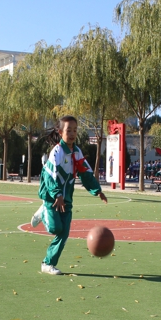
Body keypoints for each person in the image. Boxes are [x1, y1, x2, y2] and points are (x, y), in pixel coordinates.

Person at [30, 116, 107, 275]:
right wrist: (57, 194)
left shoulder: (77, 152)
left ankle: (48, 263)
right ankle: (44, 211)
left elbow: (86, 174)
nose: (72, 134)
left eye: (75, 130)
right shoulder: (56, 152)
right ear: (60, 132)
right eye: (68, 130)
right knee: (54, 228)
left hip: (67, 200)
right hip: (52, 198)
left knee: (63, 233)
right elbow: (50, 176)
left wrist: (97, 190)